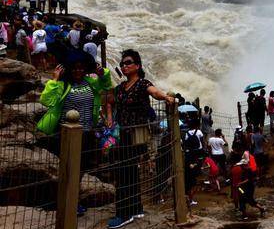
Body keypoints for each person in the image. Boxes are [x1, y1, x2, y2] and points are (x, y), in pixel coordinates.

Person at [37, 51, 112, 215]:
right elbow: (46, 100)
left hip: (87, 134)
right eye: (75, 68)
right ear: (69, 69)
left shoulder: (90, 82)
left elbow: (106, 86)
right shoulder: (63, 85)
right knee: (68, 169)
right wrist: (54, 80)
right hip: (66, 135)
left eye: (81, 68)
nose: (78, 71)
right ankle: (65, 202)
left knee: (80, 170)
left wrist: (103, 73)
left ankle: (74, 201)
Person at [107, 49, 175, 229]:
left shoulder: (142, 83)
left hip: (135, 136)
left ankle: (124, 213)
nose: (124, 66)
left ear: (137, 66)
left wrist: (166, 97)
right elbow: (109, 100)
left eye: (128, 62)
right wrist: (109, 118)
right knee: (129, 172)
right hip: (122, 136)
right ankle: (136, 208)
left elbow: (154, 92)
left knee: (124, 173)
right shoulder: (120, 88)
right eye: (122, 64)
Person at [231, 155, 266, 220]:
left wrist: (240, 183)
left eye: (242, 165)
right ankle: (245, 214)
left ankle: (260, 209)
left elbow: (249, 180)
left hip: (248, 188)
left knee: (248, 200)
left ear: (244, 165)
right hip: (242, 188)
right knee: (243, 199)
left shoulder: (249, 170)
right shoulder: (245, 170)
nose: (240, 166)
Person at [184, 119, 205, 206]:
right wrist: (203, 148)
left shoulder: (187, 133)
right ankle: (198, 171)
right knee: (199, 161)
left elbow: (185, 142)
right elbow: (202, 140)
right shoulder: (199, 131)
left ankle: (195, 171)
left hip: (191, 151)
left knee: (192, 163)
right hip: (198, 150)